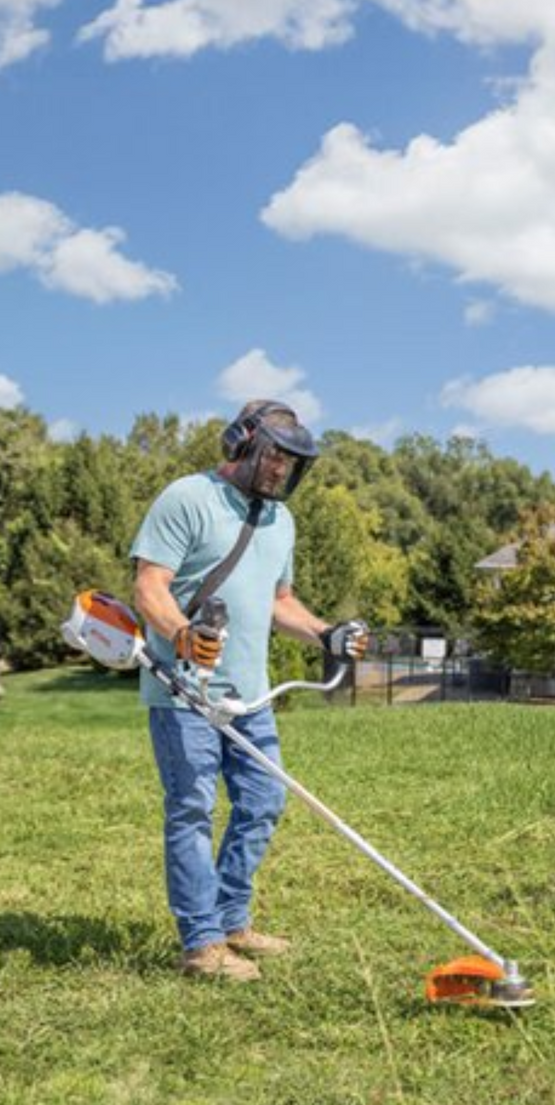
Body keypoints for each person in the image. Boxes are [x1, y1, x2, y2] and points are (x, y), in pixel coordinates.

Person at [130, 400, 369, 982]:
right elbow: (148, 587)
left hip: (252, 696)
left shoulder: (280, 521)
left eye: (292, 461)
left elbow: (277, 601)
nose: (282, 469)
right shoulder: (187, 497)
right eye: (274, 455)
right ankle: (202, 944)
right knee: (191, 811)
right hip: (185, 690)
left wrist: (324, 634)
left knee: (263, 803)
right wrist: (182, 636)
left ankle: (232, 920)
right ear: (241, 442)